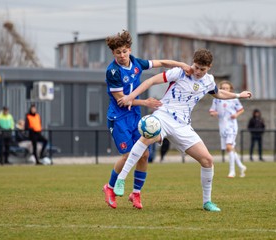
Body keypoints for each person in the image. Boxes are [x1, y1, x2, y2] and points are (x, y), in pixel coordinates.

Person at [114, 48, 252, 211]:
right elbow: (150, 81)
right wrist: (131, 97)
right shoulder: (179, 73)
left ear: (209, 67)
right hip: (164, 116)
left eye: (203, 69)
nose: (198, 71)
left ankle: (207, 202)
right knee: (147, 135)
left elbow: (218, 93)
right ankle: (121, 179)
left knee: (207, 160)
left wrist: (238, 95)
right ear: (193, 62)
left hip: (183, 125)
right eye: (196, 67)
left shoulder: (208, 81)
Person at [102, 30, 192, 209]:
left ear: (129, 49)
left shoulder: (136, 63)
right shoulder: (113, 72)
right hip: (118, 117)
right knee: (128, 154)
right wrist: (145, 102)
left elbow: (161, 62)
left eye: (124, 51)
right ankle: (110, 187)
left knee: (144, 154)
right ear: (113, 53)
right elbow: (122, 100)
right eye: (118, 52)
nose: (122, 55)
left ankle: (136, 194)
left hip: (134, 115)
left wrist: (181, 64)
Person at [209, 80, 247, 178]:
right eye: (223, 88)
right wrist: (215, 113)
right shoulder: (216, 99)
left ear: (230, 89)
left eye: (227, 88)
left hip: (232, 126)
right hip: (222, 126)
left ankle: (232, 171)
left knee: (229, 147)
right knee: (229, 148)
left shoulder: (234, 99)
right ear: (220, 89)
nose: (225, 90)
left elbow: (241, 109)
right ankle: (241, 166)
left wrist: (236, 114)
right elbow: (212, 111)